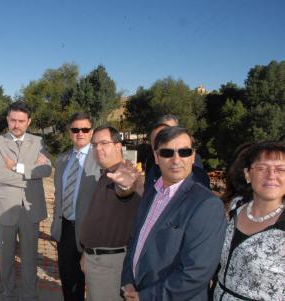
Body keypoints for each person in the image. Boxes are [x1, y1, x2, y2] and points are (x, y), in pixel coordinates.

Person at [121, 126, 226, 300]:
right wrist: (128, 281)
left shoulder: (207, 205)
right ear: (156, 157)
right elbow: (134, 242)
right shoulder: (151, 193)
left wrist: (145, 297)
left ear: (192, 156)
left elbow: (196, 272)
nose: (176, 160)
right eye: (167, 153)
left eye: (184, 152)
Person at [0, 101, 52, 301]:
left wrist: (17, 167)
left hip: (30, 209)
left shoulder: (39, 142)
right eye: (13, 120)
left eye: (21, 121)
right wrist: (32, 172)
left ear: (29, 121)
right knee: (6, 258)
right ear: (8, 119)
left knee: (29, 258)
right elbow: (0, 175)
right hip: (5, 207)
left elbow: (46, 170)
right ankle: (8, 293)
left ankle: (30, 295)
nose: (17, 125)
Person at [213, 141, 285, 300]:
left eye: (280, 169)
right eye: (262, 168)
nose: (271, 175)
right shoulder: (232, 208)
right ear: (247, 174)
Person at [79, 125, 142, 301]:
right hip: (96, 259)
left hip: (109, 264)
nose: (98, 148)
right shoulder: (106, 174)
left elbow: (126, 188)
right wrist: (87, 252)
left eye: (104, 143)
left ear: (118, 146)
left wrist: (125, 184)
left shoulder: (125, 172)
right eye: (94, 144)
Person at [51, 112, 101, 301]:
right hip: (65, 230)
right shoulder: (62, 159)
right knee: (70, 283)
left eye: (85, 129)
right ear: (69, 132)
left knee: (96, 284)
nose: (80, 133)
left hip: (91, 232)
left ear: (91, 132)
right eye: (75, 129)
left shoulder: (100, 159)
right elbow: (59, 194)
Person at [144, 123, 210, 194]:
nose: (176, 160)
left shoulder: (202, 197)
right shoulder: (150, 162)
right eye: (154, 142)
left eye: (184, 152)